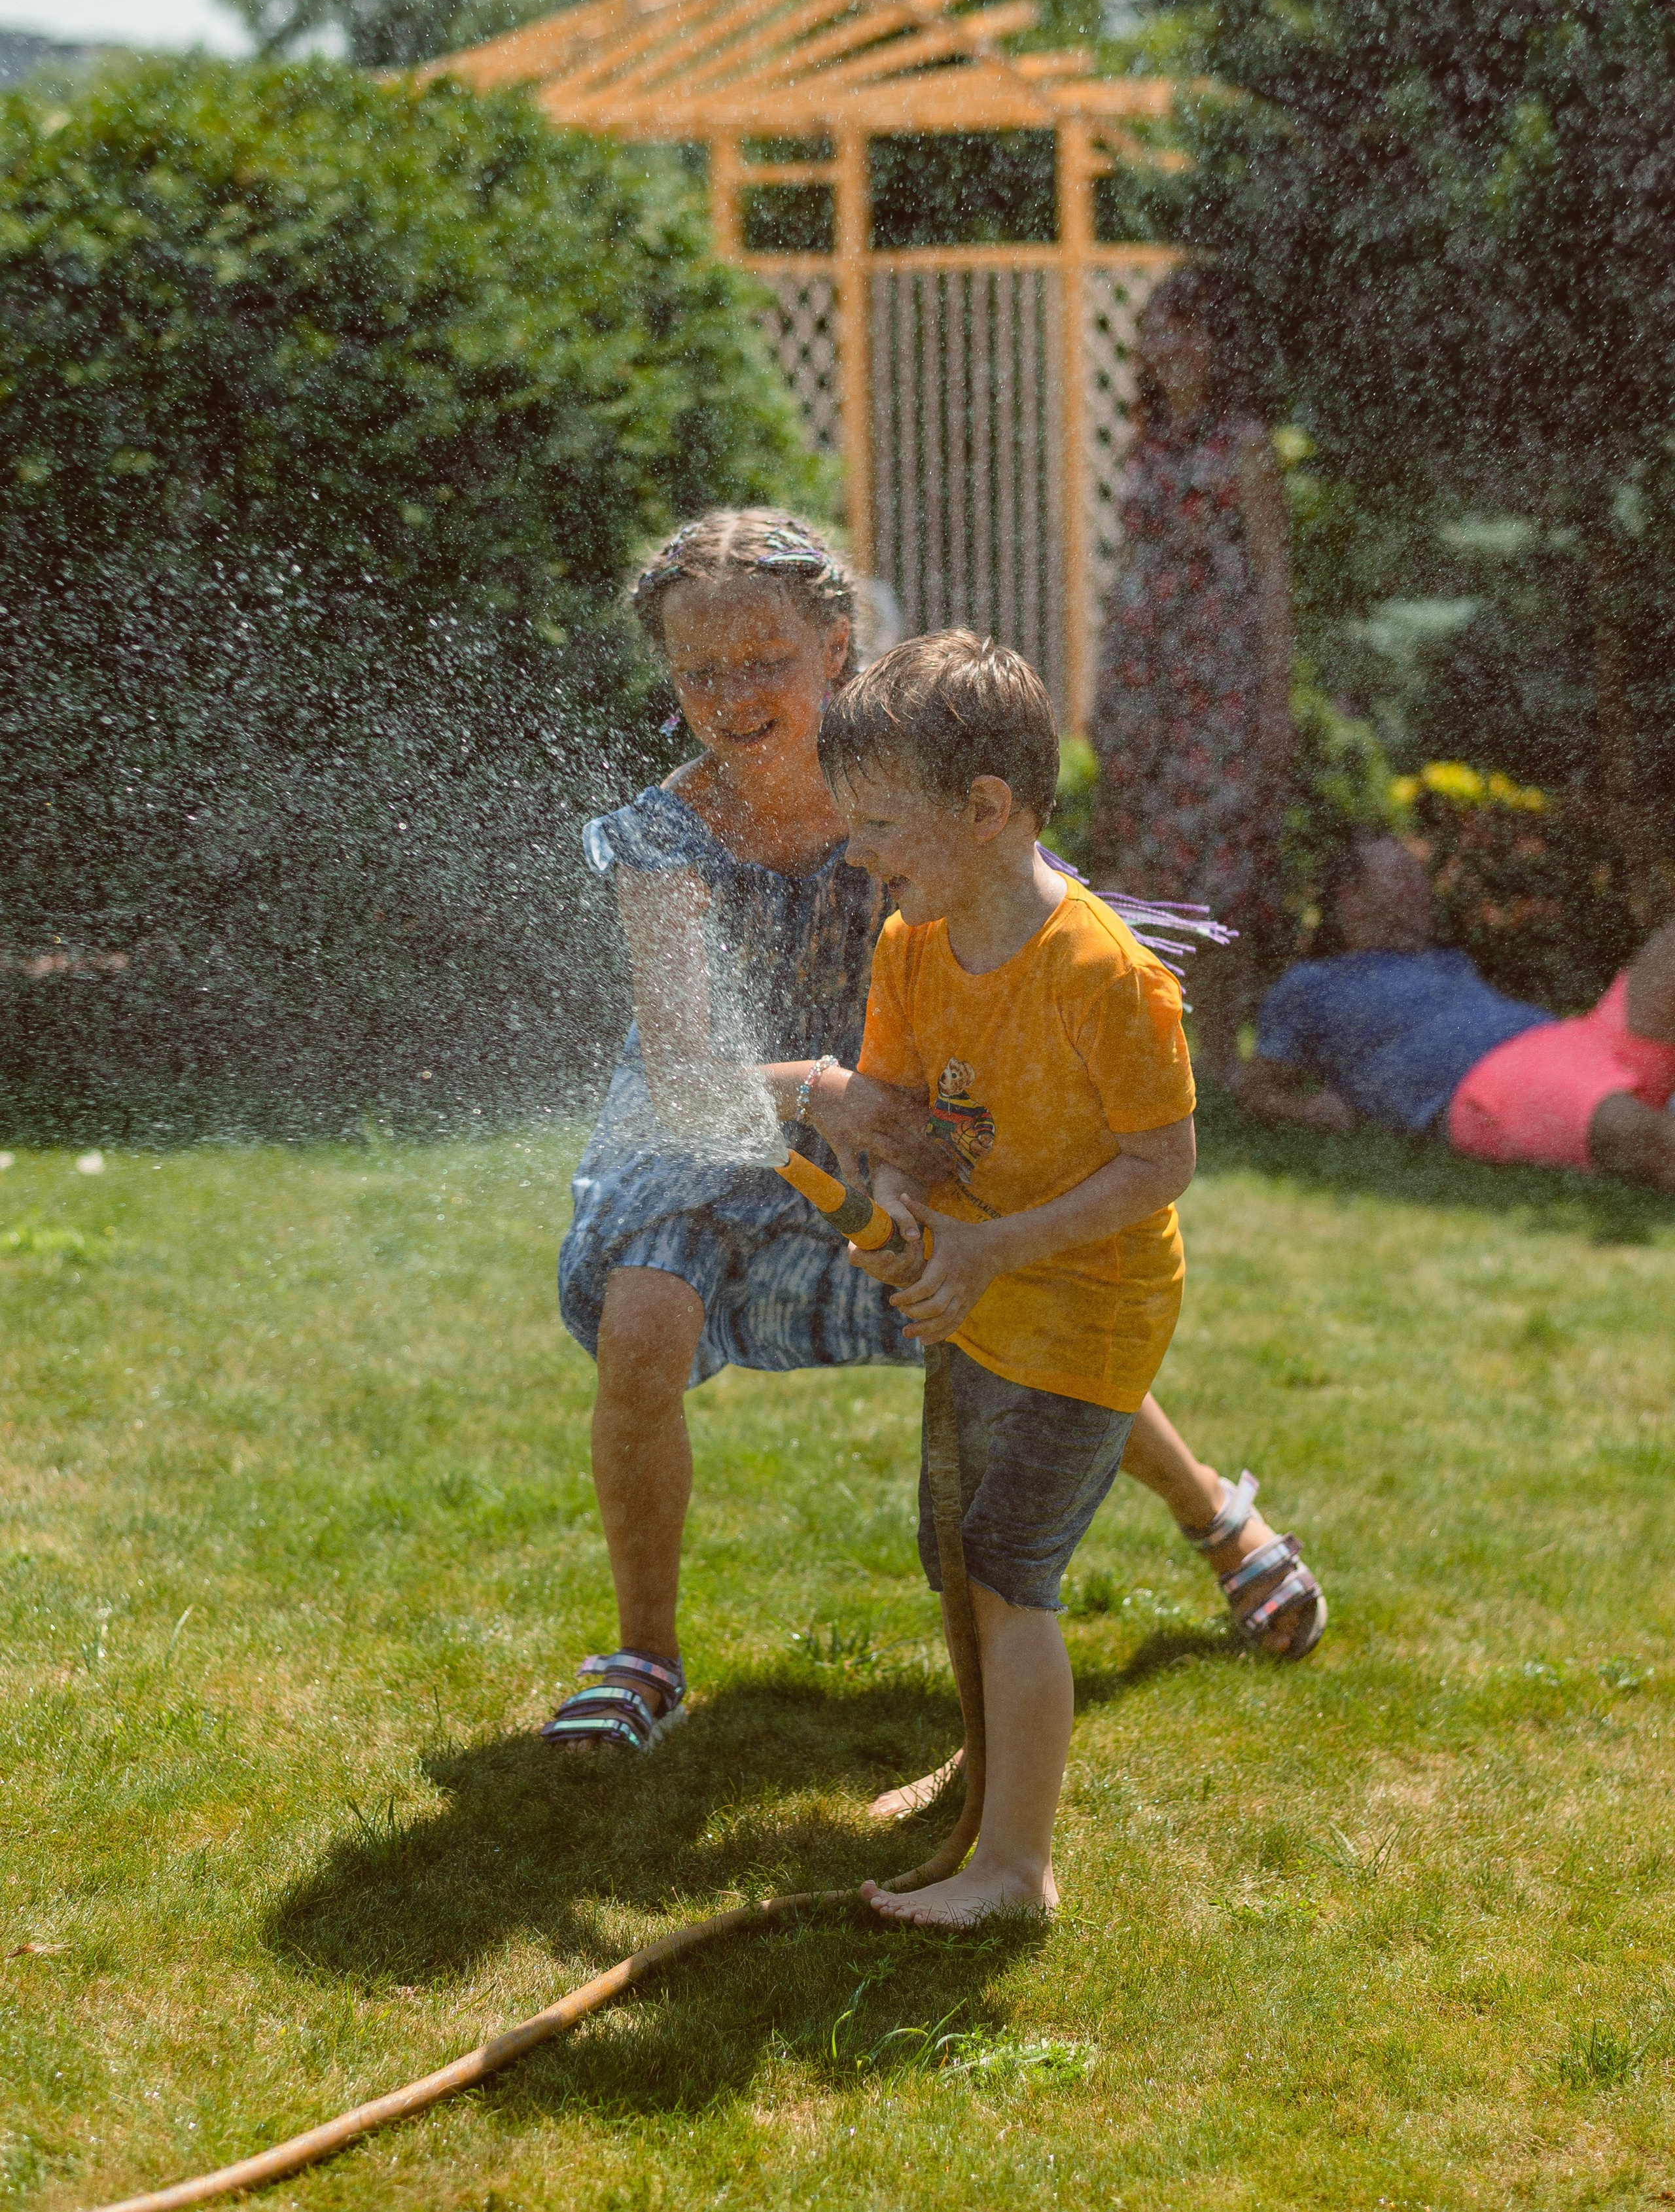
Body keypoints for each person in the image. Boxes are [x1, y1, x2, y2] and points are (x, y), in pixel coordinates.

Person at [546, 512, 1326, 1758]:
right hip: (730, 1120)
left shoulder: (911, 795)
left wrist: (925, 1134)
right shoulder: (665, 839)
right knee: (644, 1323)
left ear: (838, 645)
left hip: (900, 1105)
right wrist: (821, 1086)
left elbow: (1025, 946)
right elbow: (688, 1082)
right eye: (702, 672)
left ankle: (1216, 1514)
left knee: (1019, 1312)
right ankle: (646, 1649)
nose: (734, 694)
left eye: (766, 660)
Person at [821, 632, 1304, 1929]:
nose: (856, 851)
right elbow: (907, 1116)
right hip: (979, 1290)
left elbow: (1161, 1164)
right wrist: (908, 1210)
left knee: (1006, 1559)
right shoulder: (911, 944)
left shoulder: (1104, 976)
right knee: (950, 1545)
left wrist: (988, 1248)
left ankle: (1015, 1870)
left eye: (877, 825)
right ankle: (988, 1771)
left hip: (1090, 1308)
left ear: (986, 813)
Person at [1091, 264, 1293, 1081]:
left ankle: (1218, 1055)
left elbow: (1274, 575)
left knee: (1219, 862)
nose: (1173, 347)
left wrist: (1275, 701)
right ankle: (1152, 1041)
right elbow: (1129, 562)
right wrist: (1104, 684)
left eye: (1191, 330)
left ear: (1220, 346)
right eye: (1162, 329)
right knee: (1142, 852)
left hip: (1219, 679)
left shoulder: (1243, 444)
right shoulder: (1145, 442)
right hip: (1143, 674)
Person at [1239, 833, 1675, 1189]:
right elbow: (1256, 1088)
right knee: (1647, 1141)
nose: (1421, 886)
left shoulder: (1443, 960)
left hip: (1571, 1039)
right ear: (1351, 899)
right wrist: (1306, 1111)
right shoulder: (1311, 985)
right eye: (1401, 876)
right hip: (1492, 1087)